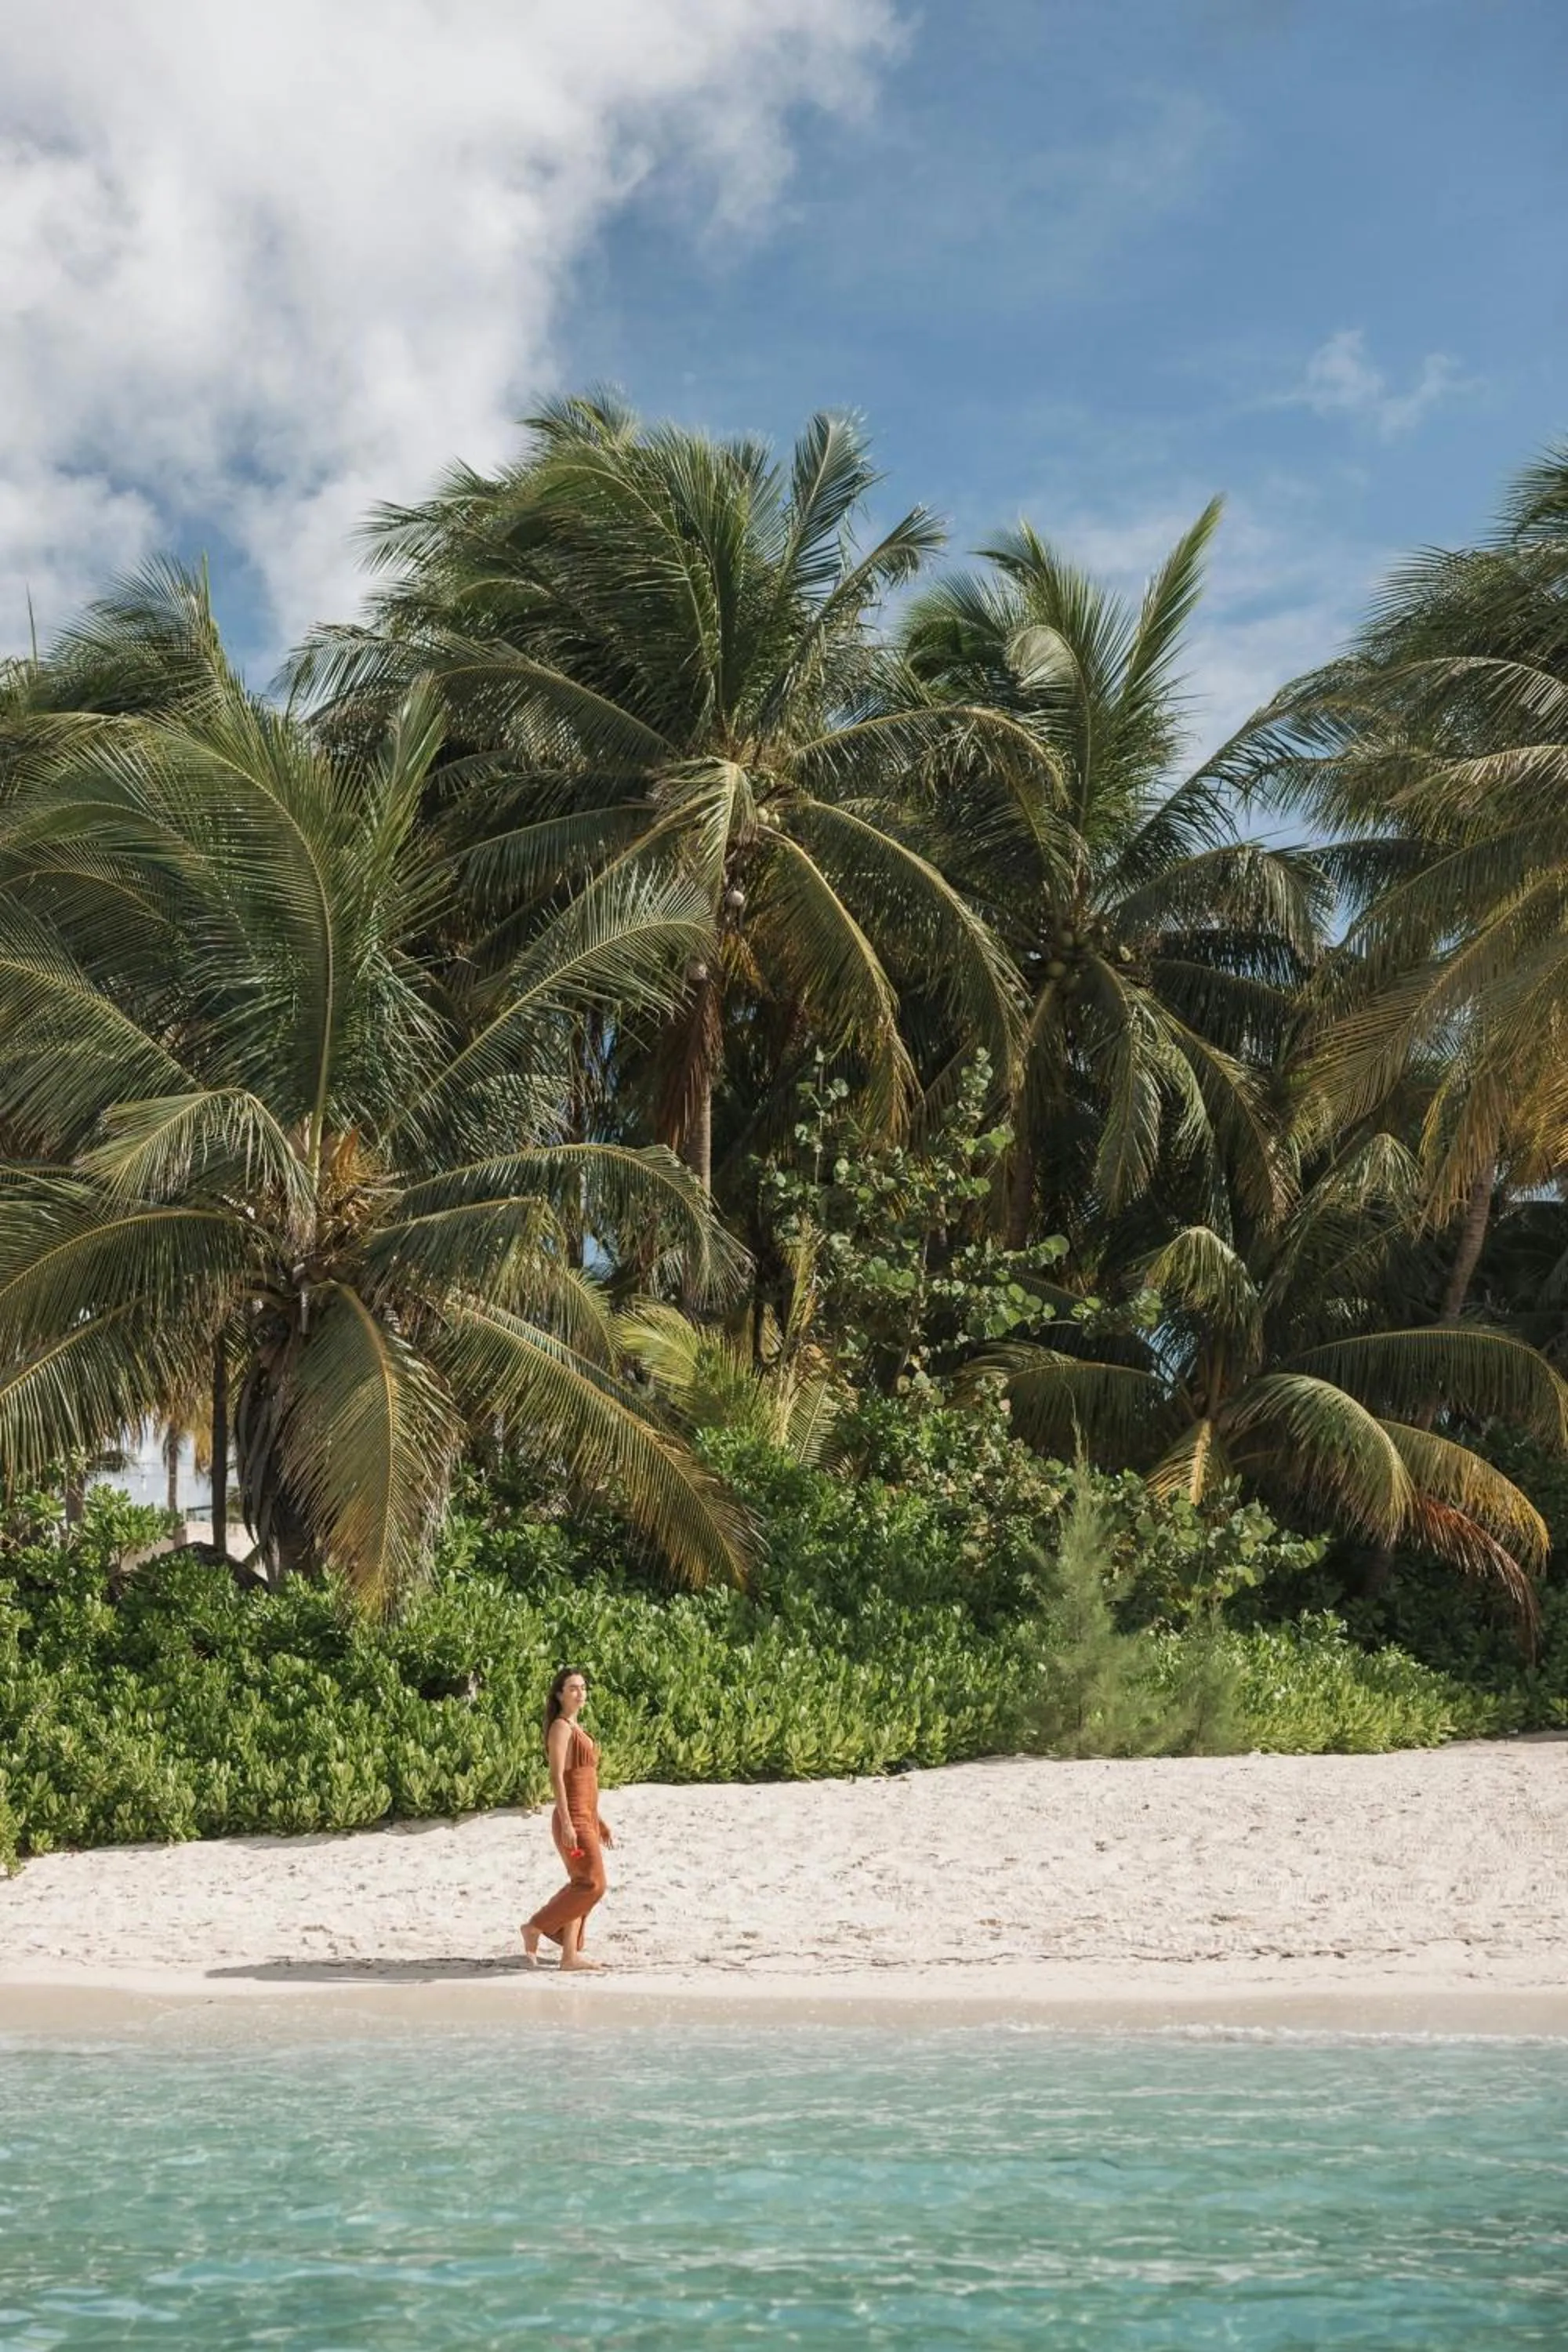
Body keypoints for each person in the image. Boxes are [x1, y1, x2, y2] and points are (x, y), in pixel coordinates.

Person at [521, 1665, 614, 1971]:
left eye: (583, 1687)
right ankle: (536, 1925)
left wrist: (598, 1819)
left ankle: (569, 1956)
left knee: (581, 1884)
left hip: (585, 1815)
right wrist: (569, 1822)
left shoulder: (577, 1728)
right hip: (571, 1817)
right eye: (573, 1688)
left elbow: (585, 1780)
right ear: (560, 1694)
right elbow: (558, 1777)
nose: (580, 1693)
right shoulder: (561, 1727)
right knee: (592, 1884)